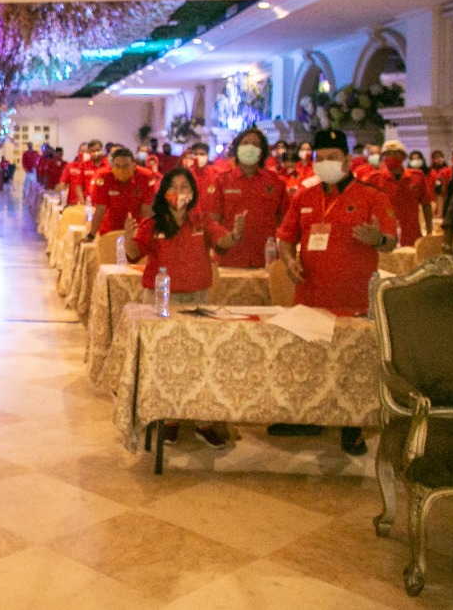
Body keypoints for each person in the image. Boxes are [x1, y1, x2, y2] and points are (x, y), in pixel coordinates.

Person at [275, 128, 397, 455]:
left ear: (347, 160)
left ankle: (351, 425)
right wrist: (288, 261)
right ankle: (307, 417)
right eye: (320, 158)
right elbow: (285, 237)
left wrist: (378, 240)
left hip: (352, 297)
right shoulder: (304, 196)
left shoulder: (371, 195)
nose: (325, 163)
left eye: (332, 158)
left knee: (350, 363)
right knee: (307, 359)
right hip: (310, 294)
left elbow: (391, 240)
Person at [123, 166, 243, 449]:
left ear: (193, 193)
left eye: (185, 187)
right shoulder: (153, 223)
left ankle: (202, 420)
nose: (180, 192)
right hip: (160, 301)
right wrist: (128, 237)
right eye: (174, 186)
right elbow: (134, 252)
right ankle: (168, 417)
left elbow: (222, 241)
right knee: (164, 359)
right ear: (165, 192)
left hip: (196, 300)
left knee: (198, 358)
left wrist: (236, 234)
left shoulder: (201, 221)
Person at [211, 127, 289, 268]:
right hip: (229, 261)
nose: (250, 147)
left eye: (255, 145)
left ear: (262, 151)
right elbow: (212, 223)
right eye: (245, 144)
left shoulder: (275, 183)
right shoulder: (222, 182)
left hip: (266, 261)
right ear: (237, 149)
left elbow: (286, 223)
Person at [367, 139, 432, 246]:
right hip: (385, 237)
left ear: (404, 157)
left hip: (412, 235)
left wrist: (429, 231)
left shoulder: (417, 177)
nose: (392, 157)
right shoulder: (375, 179)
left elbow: (426, 205)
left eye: (396, 154)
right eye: (388, 154)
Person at [85, 147, 154, 239]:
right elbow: (100, 209)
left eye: (126, 166)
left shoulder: (145, 177)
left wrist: (148, 235)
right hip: (109, 231)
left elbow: (146, 209)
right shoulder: (103, 177)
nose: (121, 170)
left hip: (135, 231)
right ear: (112, 166)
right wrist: (91, 235)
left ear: (134, 166)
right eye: (117, 166)